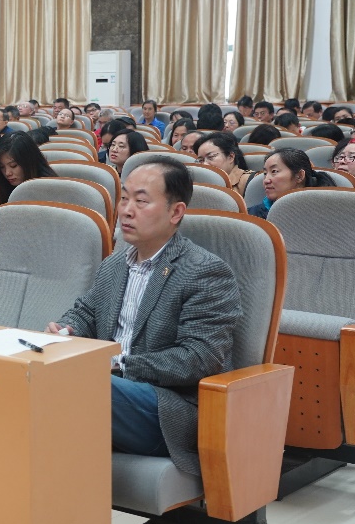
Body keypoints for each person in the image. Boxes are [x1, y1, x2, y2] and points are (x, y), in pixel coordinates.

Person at [47, 159, 241, 477]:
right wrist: (67, 330)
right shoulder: (115, 263)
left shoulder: (204, 271)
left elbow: (200, 358)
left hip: (166, 407)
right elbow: (86, 312)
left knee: (77, 383)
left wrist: (118, 363)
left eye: (141, 201)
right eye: (124, 198)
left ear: (176, 212)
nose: (126, 210)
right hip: (114, 388)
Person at [250, 149, 327, 219]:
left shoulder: (323, 214)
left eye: (274, 171)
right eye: (265, 173)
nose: (266, 180)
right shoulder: (252, 215)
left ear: (299, 176)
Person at [0, 132, 56, 202]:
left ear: (29, 161)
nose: (7, 173)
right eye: (2, 167)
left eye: (13, 166)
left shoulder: (50, 188)